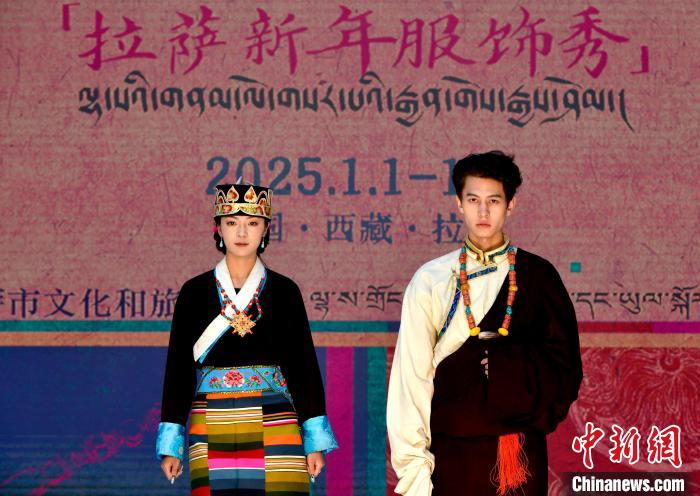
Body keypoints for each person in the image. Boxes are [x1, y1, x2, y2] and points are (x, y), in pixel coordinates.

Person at [387, 151, 582, 496]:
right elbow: (411, 379)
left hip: (518, 454)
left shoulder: (538, 276)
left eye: (493, 201)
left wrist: (504, 367)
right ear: (459, 204)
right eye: (473, 200)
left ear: (510, 205)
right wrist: (414, 469)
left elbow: (565, 369)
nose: (483, 212)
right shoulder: (431, 279)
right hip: (452, 453)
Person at [156, 181, 338, 495]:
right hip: (210, 417)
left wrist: (314, 442)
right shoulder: (193, 292)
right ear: (218, 228)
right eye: (232, 223)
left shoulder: (285, 291)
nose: (242, 233)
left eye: (252, 223)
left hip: (276, 417)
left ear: (266, 229)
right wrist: (171, 444)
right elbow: (178, 370)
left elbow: (303, 368)